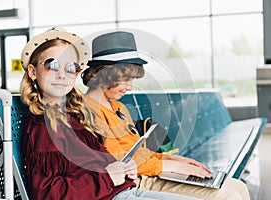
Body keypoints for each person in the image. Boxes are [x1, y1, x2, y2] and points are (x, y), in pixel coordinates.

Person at [19, 26, 199, 200]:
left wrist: (122, 168)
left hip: (120, 189)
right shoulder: (44, 127)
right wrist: (108, 177)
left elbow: (105, 162)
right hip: (111, 193)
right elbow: (48, 194)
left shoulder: (72, 119)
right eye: (52, 65)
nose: (62, 74)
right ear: (33, 72)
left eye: (71, 67)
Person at [81, 31, 251, 200]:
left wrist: (171, 158)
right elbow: (119, 160)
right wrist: (170, 166)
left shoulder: (118, 107)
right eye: (125, 80)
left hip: (151, 171)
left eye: (132, 80)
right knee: (229, 196)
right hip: (137, 180)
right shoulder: (87, 110)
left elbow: (136, 152)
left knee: (239, 187)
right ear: (103, 74)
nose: (129, 87)